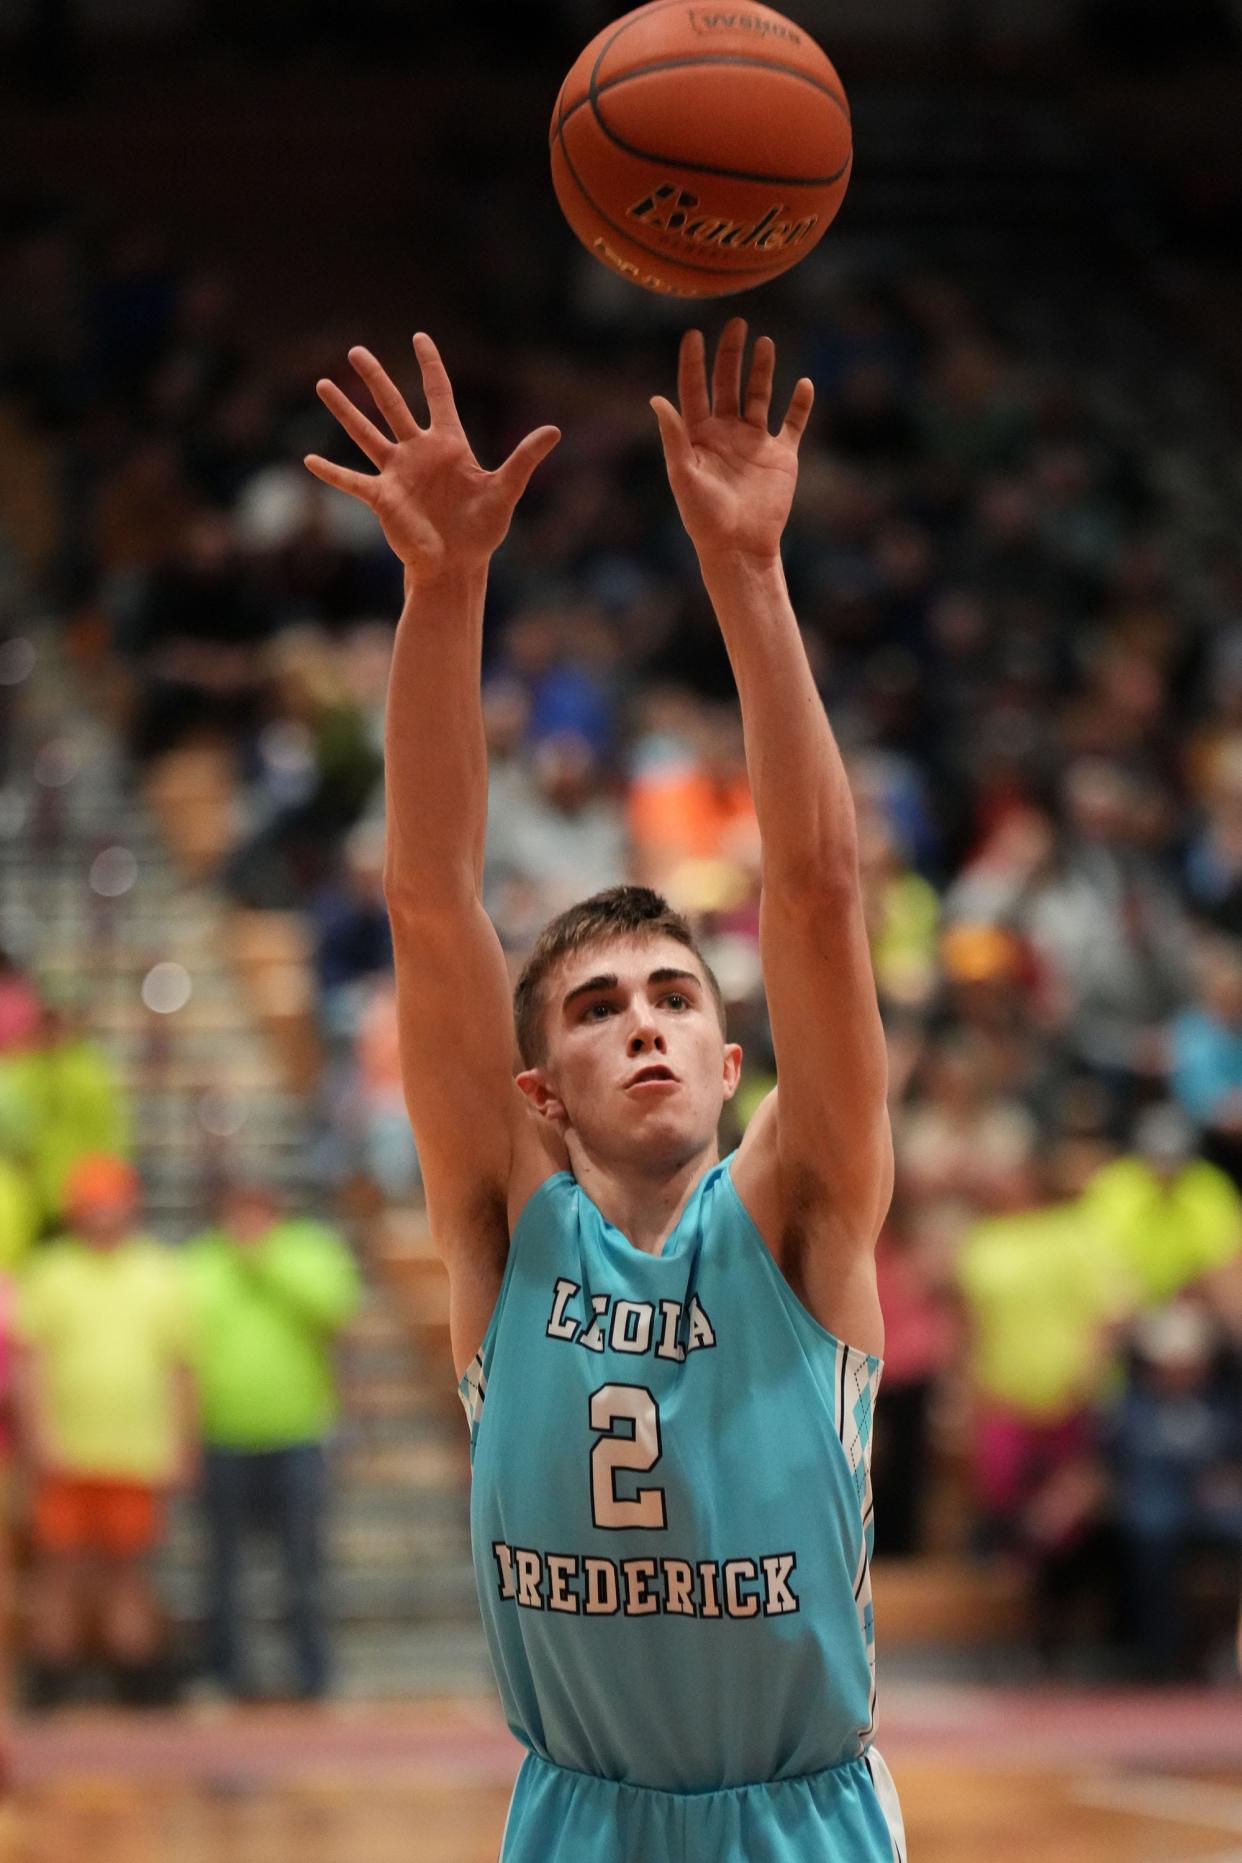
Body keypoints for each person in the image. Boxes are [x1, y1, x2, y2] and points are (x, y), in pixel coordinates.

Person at [305, 322, 906, 1861]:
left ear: (729, 1057)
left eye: (673, 996)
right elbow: (433, 900)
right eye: (594, 1005)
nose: (641, 1023)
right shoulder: (508, 1225)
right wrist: (443, 593)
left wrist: (749, 574)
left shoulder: (802, 1211)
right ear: (540, 1088)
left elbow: (821, 890)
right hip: (576, 1817)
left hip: (801, 1820)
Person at [12, 1155, 195, 1707]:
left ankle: (133, 1680)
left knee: (129, 1569)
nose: (102, 1214)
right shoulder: (50, 1273)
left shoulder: (159, 1272)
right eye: (92, 1203)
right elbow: (29, 1365)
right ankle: (52, 1679)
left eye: (111, 1201)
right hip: (67, 1450)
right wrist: (37, 1437)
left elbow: (180, 1368)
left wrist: (183, 1445)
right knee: (59, 1569)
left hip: (138, 1452)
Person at [182, 1179, 361, 1701]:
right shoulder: (198, 1264)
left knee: (304, 1564)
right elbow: (181, 1349)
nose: (248, 1222)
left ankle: (314, 1675)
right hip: (222, 1436)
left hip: (297, 1434)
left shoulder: (309, 1252)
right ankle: (225, 1674)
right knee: (223, 1567)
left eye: (257, 1210)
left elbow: (332, 1312)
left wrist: (267, 1263)